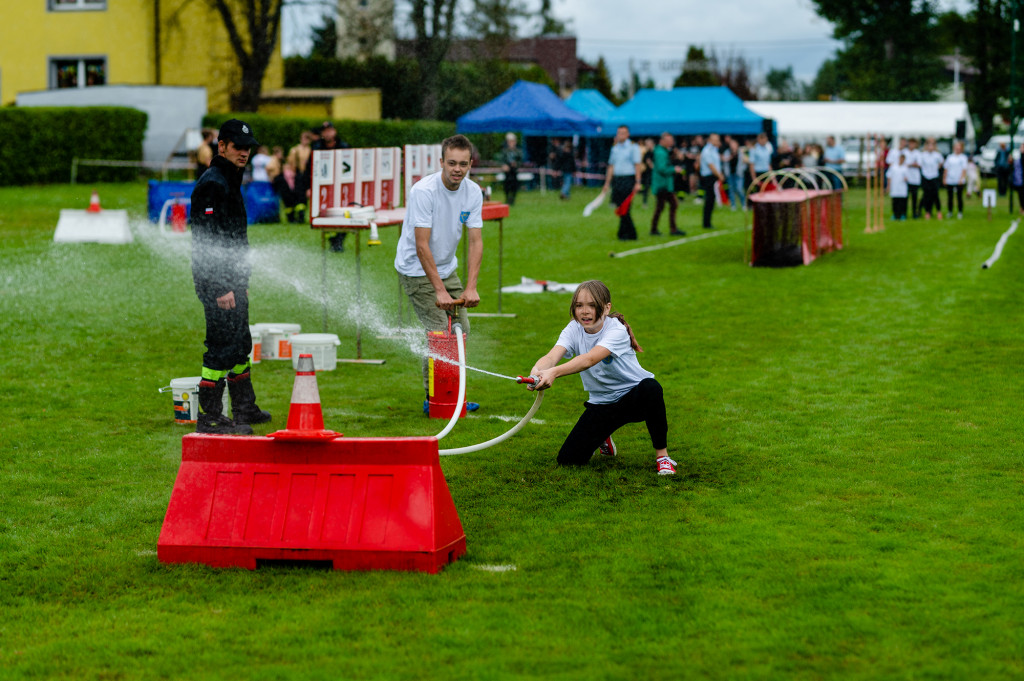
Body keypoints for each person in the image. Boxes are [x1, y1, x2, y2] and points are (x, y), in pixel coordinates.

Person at [527, 280, 676, 476]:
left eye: (592, 305)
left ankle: (662, 457)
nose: (585, 311)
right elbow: (552, 356)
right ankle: (603, 436)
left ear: (606, 308)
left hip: (634, 399)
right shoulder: (573, 328)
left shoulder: (616, 330)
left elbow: (589, 359)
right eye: (579, 305)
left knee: (651, 387)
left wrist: (554, 372)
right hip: (602, 404)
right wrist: (537, 371)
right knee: (568, 460)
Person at [189, 118, 271, 435]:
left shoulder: (232, 178)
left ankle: (244, 407)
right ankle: (210, 416)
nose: (244, 153)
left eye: (248, 148)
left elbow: (234, 238)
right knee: (221, 346)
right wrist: (223, 286)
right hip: (216, 282)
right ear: (221, 146)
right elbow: (208, 242)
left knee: (240, 343)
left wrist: (241, 282)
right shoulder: (213, 183)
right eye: (238, 147)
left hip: (234, 280)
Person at [394, 134, 483, 413]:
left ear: (470, 164)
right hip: (416, 268)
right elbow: (421, 246)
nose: (458, 169)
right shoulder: (424, 191)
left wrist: (471, 286)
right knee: (441, 334)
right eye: (452, 163)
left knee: (461, 331)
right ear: (442, 162)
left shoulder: (473, 192)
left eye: (464, 164)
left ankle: (455, 396)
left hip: (447, 267)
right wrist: (440, 291)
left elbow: (475, 241)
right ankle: (435, 398)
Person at [308, 121, 350, 250]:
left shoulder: (344, 147)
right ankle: (332, 238)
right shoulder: (316, 148)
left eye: (330, 130)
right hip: (323, 187)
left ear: (334, 131)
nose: (328, 133)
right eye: (325, 131)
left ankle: (339, 240)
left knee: (343, 213)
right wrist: (309, 187)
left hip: (342, 186)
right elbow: (309, 169)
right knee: (326, 213)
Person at [602, 125, 643, 240]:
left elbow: (637, 165)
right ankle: (625, 233)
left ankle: (628, 233)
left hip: (628, 179)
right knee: (620, 206)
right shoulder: (615, 148)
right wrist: (607, 183)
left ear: (628, 134)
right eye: (619, 133)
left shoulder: (632, 147)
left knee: (625, 207)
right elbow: (611, 166)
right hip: (617, 179)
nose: (621, 135)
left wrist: (638, 181)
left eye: (623, 133)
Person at [649, 132, 684, 236]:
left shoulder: (663, 151)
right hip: (662, 184)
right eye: (669, 141)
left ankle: (655, 229)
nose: (671, 143)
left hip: (664, 183)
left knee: (662, 207)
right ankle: (670, 229)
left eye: (672, 141)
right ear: (662, 141)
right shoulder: (660, 152)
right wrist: (674, 169)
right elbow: (662, 168)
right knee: (671, 205)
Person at [699, 133, 724, 229]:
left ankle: (708, 221)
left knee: (712, 199)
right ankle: (706, 223)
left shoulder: (714, 150)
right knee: (709, 199)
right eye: (715, 139)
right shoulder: (707, 151)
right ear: (710, 140)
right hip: (709, 176)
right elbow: (711, 165)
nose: (717, 141)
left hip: (714, 176)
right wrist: (719, 175)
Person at [919, 137, 945, 219]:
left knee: (935, 195)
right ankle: (928, 211)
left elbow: (941, 163)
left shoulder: (937, 155)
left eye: (932, 145)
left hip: (934, 177)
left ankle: (938, 211)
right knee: (927, 195)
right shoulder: (923, 155)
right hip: (926, 176)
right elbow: (920, 164)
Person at [943, 140, 969, 219]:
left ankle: (960, 212)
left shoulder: (963, 158)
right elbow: (946, 168)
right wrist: (944, 178)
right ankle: (950, 211)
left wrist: (961, 179)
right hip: (950, 179)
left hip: (959, 180)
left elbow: (964, 169)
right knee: (950, 197)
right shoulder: (950, 157)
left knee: (959, 197)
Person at [499, 132, 523, 206]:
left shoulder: (518, 151)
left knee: (514, 186)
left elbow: (521, 161)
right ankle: (507, 199)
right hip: (507, 172)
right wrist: (504, 166)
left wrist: (516, 164)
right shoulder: (504, 151)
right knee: (507, 186)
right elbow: (501, 160)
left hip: (514, 171)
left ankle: (512, 199)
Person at [724, 136, 747, 211]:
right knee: (731, 190)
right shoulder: (727, 152)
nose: (732, 145)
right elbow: (724, 162)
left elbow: (744, 163)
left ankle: (743, 204)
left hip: (739, 174)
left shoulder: (741, 152)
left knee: (739, 189)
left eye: (734, 144)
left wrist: (742, 169)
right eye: (731, 144)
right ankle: (733, 205)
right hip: (730, 174)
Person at [886, 152, 910, 221]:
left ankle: (902, 214)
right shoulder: (893, 167)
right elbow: (889, 176)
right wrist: (888, 186)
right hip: (895, 187)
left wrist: (906, 178)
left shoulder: (905, 168)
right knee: (895, 201)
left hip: (902, 187)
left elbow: (908, 177)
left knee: (902, 201)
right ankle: (895, 214)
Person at [904, 138, 922, 218]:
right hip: (906, 178)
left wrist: (911, 164)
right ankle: (904, 213)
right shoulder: (904, 152)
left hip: (915, 179)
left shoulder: (918, 153)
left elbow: (919, 164)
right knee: (905, 197)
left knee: (914, 197)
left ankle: (915, 213)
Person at [640, 138, 655, 207]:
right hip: (648, 173)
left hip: (657, 173)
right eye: (646, 144)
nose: (647, 146)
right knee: (646, 187)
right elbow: (645, 162)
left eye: (648, 144)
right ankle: (644, 202)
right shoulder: (647, 153)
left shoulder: (657, 152)